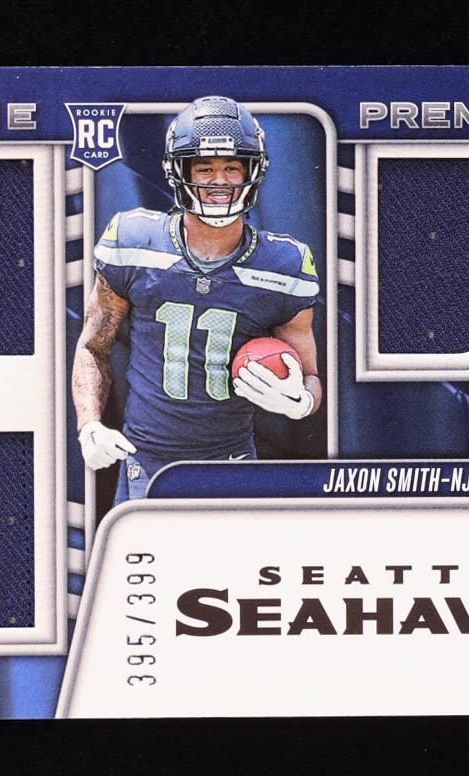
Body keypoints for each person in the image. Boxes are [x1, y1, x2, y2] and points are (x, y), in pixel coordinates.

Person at [72, 95, 322, 503]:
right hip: (147, 462)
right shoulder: (133, 241)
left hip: (232, 463)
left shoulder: (284, 266)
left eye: (232, 167)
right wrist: (89, 425)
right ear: (179, 171)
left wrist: (300, 401)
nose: (219, 181)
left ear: (253, 171)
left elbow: (311, 376)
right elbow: (93, 347)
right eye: (204, 167)